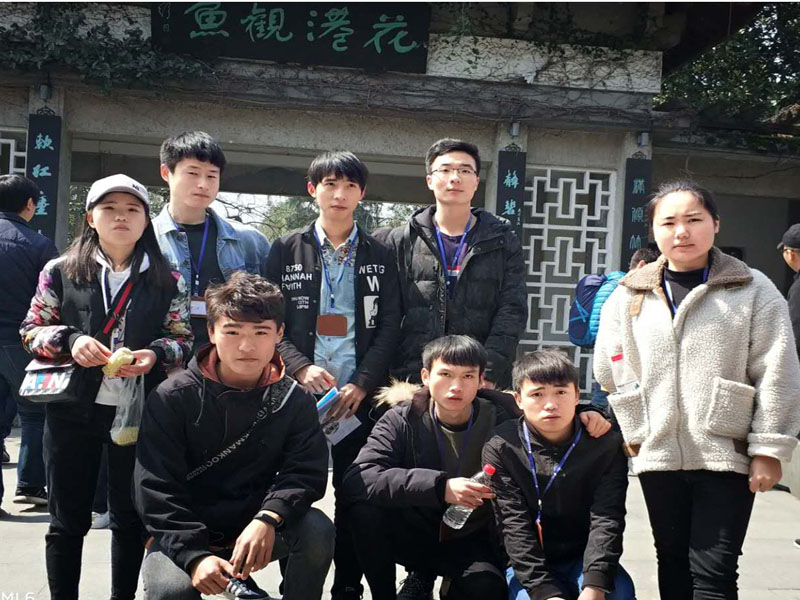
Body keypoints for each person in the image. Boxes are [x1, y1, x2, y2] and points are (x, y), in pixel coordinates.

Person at [594, 180, 800, 600]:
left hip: (727, 451)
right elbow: (610, 366)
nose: (681, 232)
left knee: (714, 572)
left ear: (715, 224)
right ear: (654, 230)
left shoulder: (752, 288)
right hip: (658, 452)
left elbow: (777, 370)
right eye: (668, 222)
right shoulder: (629, 293)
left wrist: (769, 448)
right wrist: (638, 425)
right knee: (671, 562)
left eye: (693, 219)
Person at [20, 174, 193, 600]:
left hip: (139, 412)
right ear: (90, 218)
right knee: (66, 520)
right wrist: (70, 340)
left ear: (146, 221)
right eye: (110, 209)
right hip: (71, 408)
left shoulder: (167, 277)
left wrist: (155, 354)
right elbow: (32, 330)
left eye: (133, 210)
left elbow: (182, 337)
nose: (121, 217)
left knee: (129, 518)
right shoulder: (60, 271)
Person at [341, 336, 611, 600]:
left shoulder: (502, 413)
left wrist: (589, 411)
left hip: (474, 535)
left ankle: (451, 587)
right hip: (415, 529)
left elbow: (548, 409)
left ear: (482, 380)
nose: (456, 387)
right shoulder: (402, 418)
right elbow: (359, 477)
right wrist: (440, 487)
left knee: (486, 588)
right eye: (445, 374)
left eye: (468, 376)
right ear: (425, 376)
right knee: (362, 508)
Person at [134, 272, 334, 600]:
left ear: (279, 333)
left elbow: (305, 472)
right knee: (170, 590)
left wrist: (269, 518)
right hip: (181, 530)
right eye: (232, 331)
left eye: (260, 332)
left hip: (254, 526)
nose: (246, 346)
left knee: (316, 530)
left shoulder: (293, 399)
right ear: (212, 332)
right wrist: (194, 557)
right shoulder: (172, 396)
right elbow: (155, 487)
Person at [264, 150, 401, 600]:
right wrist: (300, 368)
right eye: (329, 184)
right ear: (312, 190)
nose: (339, 194)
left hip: (356, 398)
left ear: (362, 193)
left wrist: (362, 383)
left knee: (355, 494)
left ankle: (347, 585)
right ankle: (294, 584)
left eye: (349, 186)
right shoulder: (286, 248)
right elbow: (270, 323)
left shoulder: (380, 253)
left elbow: (389, 326)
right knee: (293, 489)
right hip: (297, 393)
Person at [483, 350, 634, 600]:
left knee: (618, 593)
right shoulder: (503, 446)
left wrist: (595, 585)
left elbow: (608, 517)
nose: (550, 404)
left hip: (584, 557)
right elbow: (512, 524)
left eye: (561, 392)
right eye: (537, 394)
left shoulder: (603, 443)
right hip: (528, 565)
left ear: (577, 395)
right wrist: (544, 592)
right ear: (519, 399)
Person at [379, 138, 527, 390]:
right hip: (414, 379)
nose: (455, 178)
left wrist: (488, 371)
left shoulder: (502, 240)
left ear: (476, 182)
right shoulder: (400, 240)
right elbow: (388, 314)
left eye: (465, 170)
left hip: (478, 379)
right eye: (445, 170)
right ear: (429, 180)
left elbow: (512, 309)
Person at [153, 131, 272, 350]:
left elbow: (271, 310)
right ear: (166, 172)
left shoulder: (250, 241)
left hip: (230, 359)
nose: (203, 184)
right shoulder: (145, 239)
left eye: (211, 175)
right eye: (193, 173)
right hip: (162, 360)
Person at [0, 175, 59, 512]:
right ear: (30, 205)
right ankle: (31, 484)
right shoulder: (40, 246)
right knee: (35, 414)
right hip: (18, 341)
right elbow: (54, 300)